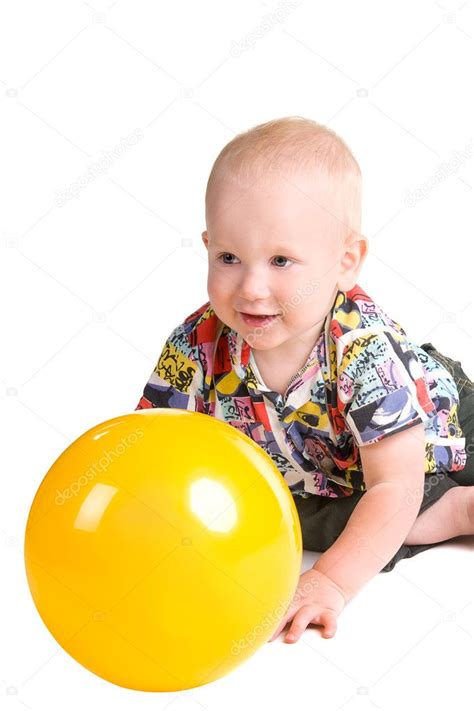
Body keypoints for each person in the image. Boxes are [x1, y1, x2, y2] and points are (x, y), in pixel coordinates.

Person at [135, 116, 474, 644]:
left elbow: (396, 485)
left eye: (281, 260)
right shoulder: (197, 342)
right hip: (322, 469)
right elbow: (155, 445)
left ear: (345, 262)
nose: (251, 287)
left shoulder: (360, 353)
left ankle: (458, 509)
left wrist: (330, 581)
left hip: (429, 423)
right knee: (290, 524)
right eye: (228, 257)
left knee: (389, 508)